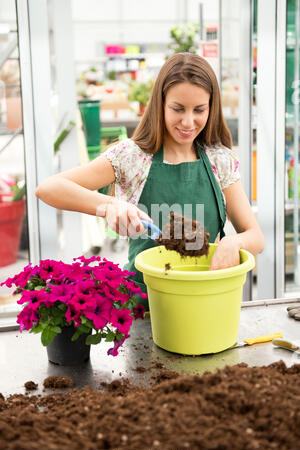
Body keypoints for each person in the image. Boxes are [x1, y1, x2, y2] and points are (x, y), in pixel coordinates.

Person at [35, 53, 265, 310]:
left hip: (206, 302)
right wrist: (109, 205)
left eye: (199, 110)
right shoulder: (132, 158)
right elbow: (48, 188)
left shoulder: (219, 160)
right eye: (178, 109)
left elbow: (256, 237)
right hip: (144, 309)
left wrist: (234, 241)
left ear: (211, 107)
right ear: (161, 104)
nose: (188, 122)